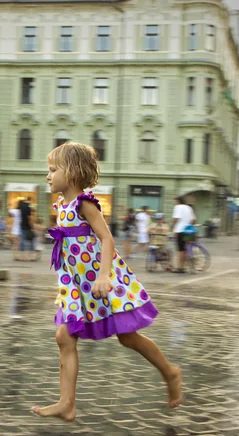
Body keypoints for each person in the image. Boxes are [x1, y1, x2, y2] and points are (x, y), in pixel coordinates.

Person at [34, 142, 182, 421]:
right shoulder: (61, 204)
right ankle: (67, 403)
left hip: (102, 280)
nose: (48, 175)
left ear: (74, 173)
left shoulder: (84, 203)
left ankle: (170, 372)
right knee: (63, 336)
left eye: (53, 170)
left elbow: (107, 238)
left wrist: (103, 276)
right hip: (76, 286)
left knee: (128, 336)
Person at [172, 196, 196, 273]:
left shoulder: (178, 207)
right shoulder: (189, 208)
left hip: (180, 230)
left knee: (181, 250)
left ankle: (180, 267)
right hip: (189, 231)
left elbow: (176, 219)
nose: (174, 203)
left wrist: (172, 227)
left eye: (175, 201)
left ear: (178, 201)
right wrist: (188, 226)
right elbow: (193, 220)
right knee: (186, 249)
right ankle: (185, 265)